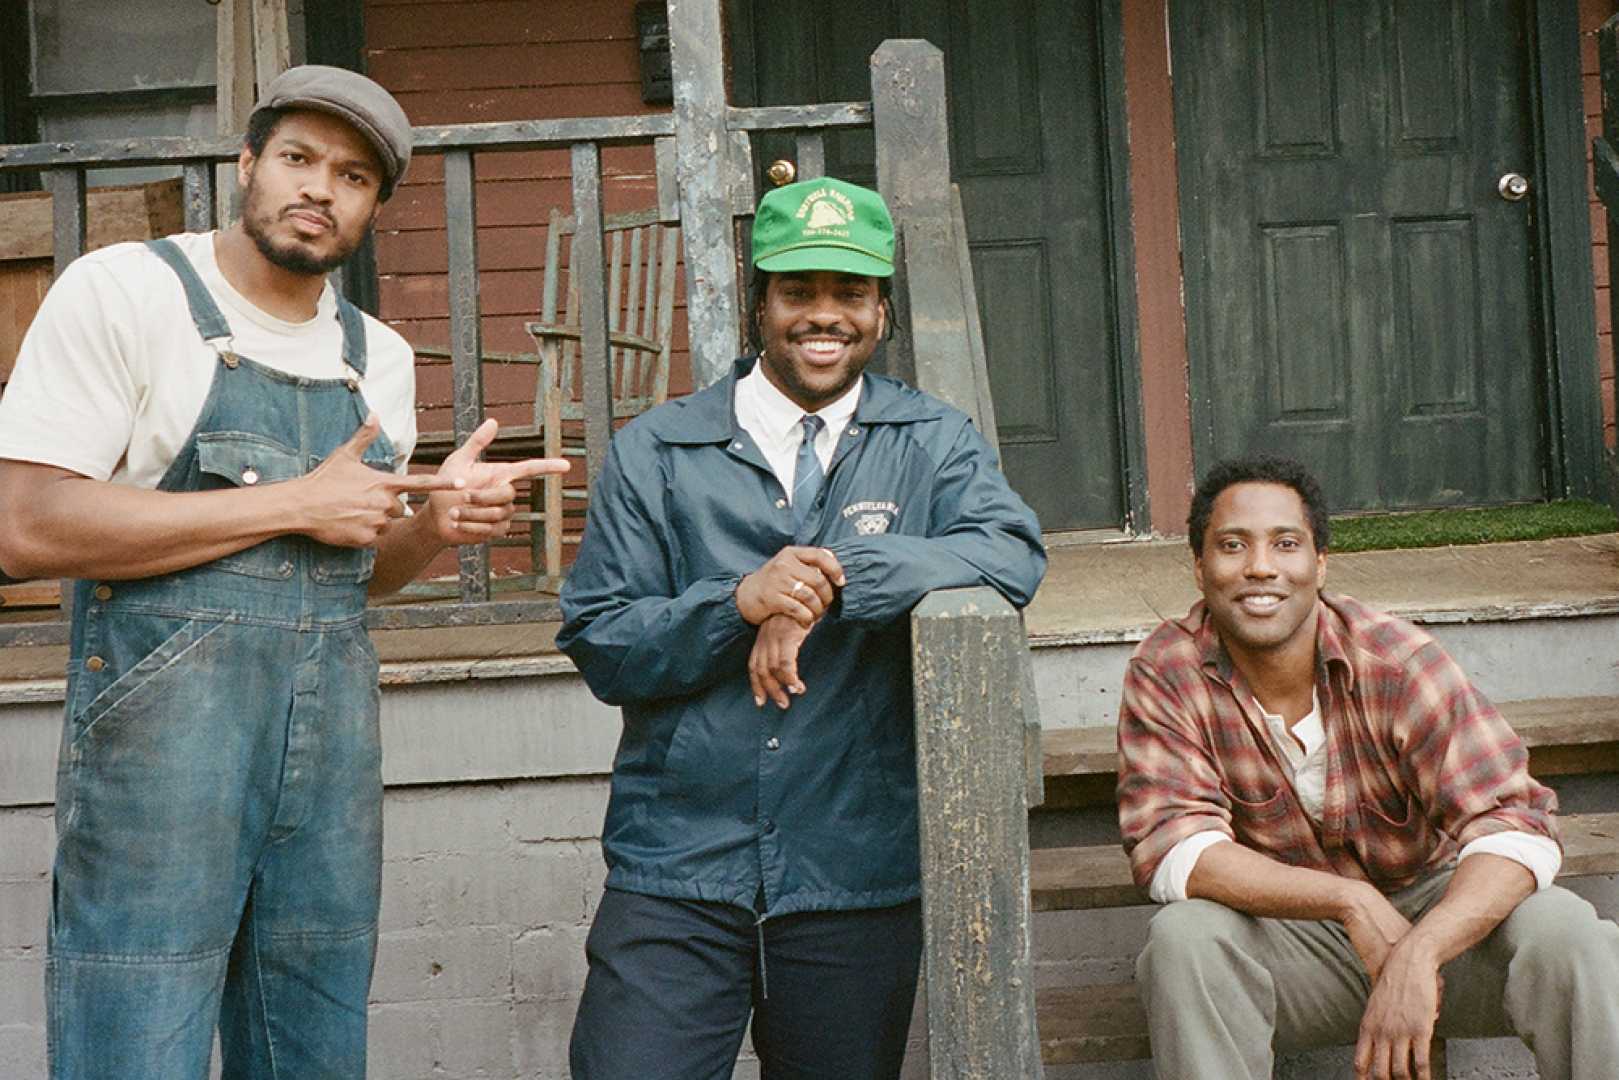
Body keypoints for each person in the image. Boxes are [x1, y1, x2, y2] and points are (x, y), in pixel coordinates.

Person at [0, 65, 565, 1079]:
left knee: (310, 1036)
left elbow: (359, 573)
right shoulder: (128, 291)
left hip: (326, 756)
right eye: (298, 158)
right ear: (248, 163)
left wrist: (435, 524)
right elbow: (26, 526)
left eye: (352, 175)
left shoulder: (373, 357)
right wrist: (294, 500)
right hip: (161, 749)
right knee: (137, 1031)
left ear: (374, 207)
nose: (319, 188)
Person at [556, 176, 1046, 1079]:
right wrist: (738, 601)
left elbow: (1009, 552)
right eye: (798, 292)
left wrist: (826, 582)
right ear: (758, 305)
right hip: (679, 865)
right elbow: (603, 640)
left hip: (851, 865)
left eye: (849, 293)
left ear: (882, 311)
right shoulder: (657, 450)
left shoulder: (933, 441)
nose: (825, 316)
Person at [1116, 455, 1619, 1080]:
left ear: (1319, 565)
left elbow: (1513, 823)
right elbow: (1174, 849)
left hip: (1447, 937)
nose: (1260, 567)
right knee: (1183, 941)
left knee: (1569, 931)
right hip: (1295, 946)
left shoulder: (1398, 661)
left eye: (1286, 543)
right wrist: (1349, 901)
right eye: (1232, 545)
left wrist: (1421, 950)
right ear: (1199, 567)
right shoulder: (1169, 671)